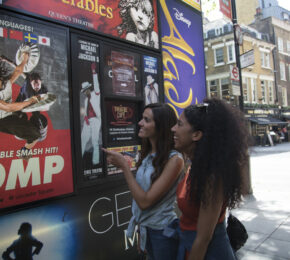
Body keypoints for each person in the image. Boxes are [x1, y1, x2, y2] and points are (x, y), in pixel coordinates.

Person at [103, 103, 184, 260]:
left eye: (146, 120)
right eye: (142, 118)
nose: (140, 123)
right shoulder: (147, 154)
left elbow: (145, 202)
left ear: (160, 126)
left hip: (163, 232)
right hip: (147, 229)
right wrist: (141, 228)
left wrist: (124, 168)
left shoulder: (174, 160)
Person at [171, 98, 249, 260]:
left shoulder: (211, 177)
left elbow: (203, 238)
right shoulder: (195, 166)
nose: (173, 129)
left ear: (197, 135)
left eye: (179, 124)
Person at [0, 53, 41, 157]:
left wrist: (25, 59)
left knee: (32, 119)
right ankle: (24, 153)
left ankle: (21, 125)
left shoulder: (6, 82)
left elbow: (18, 71)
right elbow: (8, 108)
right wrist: (30, 101)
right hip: (2, 120)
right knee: (35, 134)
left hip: (9, 112)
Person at [80, 74, 101, 166]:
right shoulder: (85, 100)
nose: (85, 92)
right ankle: (79, 157)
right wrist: (85, 117)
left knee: (94, 141)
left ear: (89, 89)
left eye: (86, 90)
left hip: (95, 120)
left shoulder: (95, 94)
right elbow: (86, 111)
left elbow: (96, 86)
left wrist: (94, 73)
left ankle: (95, 161)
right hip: (87, 121)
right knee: (83, 139)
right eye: (84, 91)